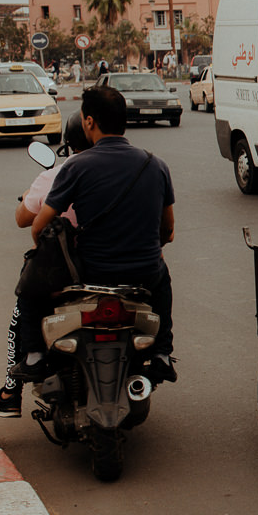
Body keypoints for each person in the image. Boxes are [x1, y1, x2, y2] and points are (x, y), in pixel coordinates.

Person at [29, 86, 176, 382]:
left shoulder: (77, 166)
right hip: (144, 273)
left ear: (89, 122)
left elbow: (38, 226)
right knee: (163, 279)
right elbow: (168, 230)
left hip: (92, 273)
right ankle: (162, 351)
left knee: (33, 285)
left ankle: (35, 355)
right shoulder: (155, 164)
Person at [0, 113, 89, 417]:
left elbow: (25, 220)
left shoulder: (57, 174)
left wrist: (30, 196)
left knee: (23, 304)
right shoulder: (127, 168)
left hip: (63, 271)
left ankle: (13, 389)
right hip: (112, 265)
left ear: (69, 144)